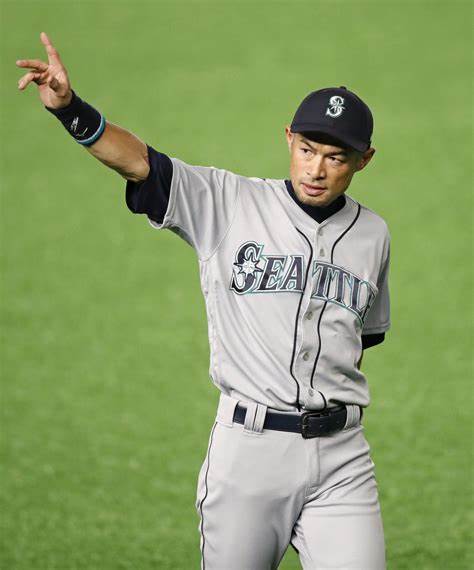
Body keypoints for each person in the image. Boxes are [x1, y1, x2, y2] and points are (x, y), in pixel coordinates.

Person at [17, 32, 390, 570]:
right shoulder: (227, 202)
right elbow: (140, 164)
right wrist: (71, 110)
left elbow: (363, 337)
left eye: (336, 157)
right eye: (307, 150)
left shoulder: (373, 235)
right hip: (249, 455)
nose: (316, 169)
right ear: (287, 138)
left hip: (343, 457)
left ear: (364, 160)